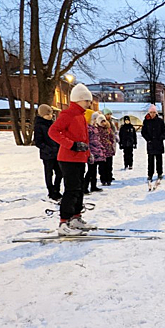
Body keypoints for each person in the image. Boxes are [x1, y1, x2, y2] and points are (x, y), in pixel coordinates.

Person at [48, 83, 95, 236]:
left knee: (80, 189)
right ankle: (63, 221)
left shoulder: (81, 116)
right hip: (68, 159)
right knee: (71, 189)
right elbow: (53, 132)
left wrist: (88, 153)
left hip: (80, 159)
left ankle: (76, 217)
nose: (89, 103)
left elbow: (84, 138)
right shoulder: (67, 114)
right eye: (87, 100)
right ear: (80, 100)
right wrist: (71, 145)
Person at [34, 104, 63, 201]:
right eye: (47, 114)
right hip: (47, 154)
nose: (50, 116)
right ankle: (51, 191)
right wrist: (48, 149)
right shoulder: (39, 125)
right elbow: (38, 142)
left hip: (57, 153)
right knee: (49, 173)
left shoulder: (52, 123)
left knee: (60, 172)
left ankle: (57, 189)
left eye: (50, 114)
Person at [142, 104, 165, 183]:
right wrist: (148, 139)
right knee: (150, 160)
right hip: (150, 143)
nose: (152, 114)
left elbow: (164, 131)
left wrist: (161, 138)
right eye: (151, 112)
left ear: (156, 113)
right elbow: (143, 132)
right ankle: (150, 174)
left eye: (154, 112)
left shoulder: (160, 121)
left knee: (159, 159)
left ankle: (159, 173)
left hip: (158, 143)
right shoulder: (146, 121)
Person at [83, 110, 105, 193]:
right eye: (94, 118)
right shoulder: (88, 128)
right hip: (91, 151)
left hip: (96, 150)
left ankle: (93, 185)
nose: (96, 120)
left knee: (94, 169)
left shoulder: (94, 127)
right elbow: (87, 140)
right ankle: (85, 187)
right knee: (90, 170)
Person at [96, 114, 115, 186]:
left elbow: (111, 137)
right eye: (101, 122)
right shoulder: (97, 130)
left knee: (109, 166)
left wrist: (110, 143)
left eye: (104, 121)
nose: (103, 123)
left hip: (108, 149)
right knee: (102, 166)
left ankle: (109, 179)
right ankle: (103, 179)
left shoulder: (108, 128)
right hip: (101, 151)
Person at [102, 107, 117, 182]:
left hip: (110, 145)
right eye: (108, 114)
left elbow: (114, 132)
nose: (109, 116)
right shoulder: (102, 122)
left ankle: (109, 175)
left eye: (110, 114)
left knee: (109, 162)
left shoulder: (111, 122)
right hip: (104, 146)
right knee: (104, 163)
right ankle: (104, 177)